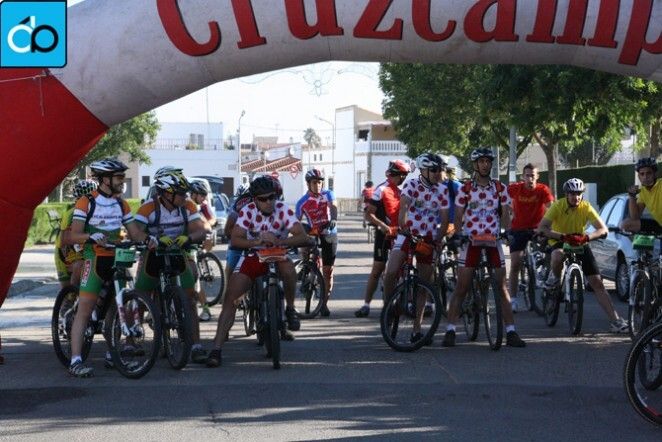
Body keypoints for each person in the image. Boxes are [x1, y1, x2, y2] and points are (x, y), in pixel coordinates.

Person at [206, 176, 311, 367]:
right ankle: (216, 349)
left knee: (289, 269)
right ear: (255, 200)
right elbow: (235, 239)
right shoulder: (247, 211)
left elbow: (302, 236)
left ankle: (290, 308)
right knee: (231, 298)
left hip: (278, 254)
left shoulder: (283, 210)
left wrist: (280, 241)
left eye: (272, 197)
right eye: (263, 199)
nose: (269, 202)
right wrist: (257, 241)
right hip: (253, 255)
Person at [66, 159, 149, 377]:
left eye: (122, 177)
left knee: (116, 305)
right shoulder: (86, 202)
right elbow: (73, 235)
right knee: (85, 310)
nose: (122, 181)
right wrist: (90, 236)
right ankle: (75, 361)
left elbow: (135, 233)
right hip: (94, 259)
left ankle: (112, 354)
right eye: (118, 177)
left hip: (117, 258)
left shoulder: (122, 204)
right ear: (105, 179)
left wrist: (149, 239)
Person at [442, 148, 526, 348]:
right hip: (471, 240)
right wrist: (458, 234)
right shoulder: (466, 188)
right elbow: (459, 215)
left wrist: (507, 231)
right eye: (481, 161)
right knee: (462, 286)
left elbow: (506, 214)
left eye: (488, 161)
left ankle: (511, 332)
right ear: (475, 165)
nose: (485, 165)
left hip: (492, 240)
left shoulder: (499, 187)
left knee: (502, 286)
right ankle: (450, 330)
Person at [134, 167, 210, 363]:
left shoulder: (188, 206)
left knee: (190, 299)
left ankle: (196, 345)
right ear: (167, 194)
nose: (185, 197)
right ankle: (131, 341)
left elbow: (200, 231)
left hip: (177, 252)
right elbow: (135, 232)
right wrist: (149, 239)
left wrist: (189, 238)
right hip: (153, 254)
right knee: (140, 297)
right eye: (181, 193)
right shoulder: (148, 208)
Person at [537, 178, 629, 333]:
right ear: (566, 194)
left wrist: (587, 237)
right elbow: (542, 228)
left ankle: (616, 321)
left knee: (597, 283)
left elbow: (603, 229)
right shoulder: (558, 206)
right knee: (558, 255)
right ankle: (554, 279)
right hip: (560, 241)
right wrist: (562, 236)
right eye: (573, 193)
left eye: (579, 193)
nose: (576, 197)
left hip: (580, 242)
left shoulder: (586, 207)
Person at [383, 153, 449, 343]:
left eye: (440, 170)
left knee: (424, 283)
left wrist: (438, 239)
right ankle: (389, 307)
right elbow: (403, 209)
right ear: (424, 170)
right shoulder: (411, 185)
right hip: (408, 234)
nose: (438, 173)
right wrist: (404, 228)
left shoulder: (442, 190)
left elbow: (445, 219)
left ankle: (417, 329)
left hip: (428, 238)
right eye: (434, 170)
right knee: (391, 272)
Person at [355, 160, 410, 318]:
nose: (403, 178)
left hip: (400, 234)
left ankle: (400, 303)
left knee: (404, 269)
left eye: (405, 176)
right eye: (402, 175)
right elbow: (369, 214)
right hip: (384, 234)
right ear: (395, 174)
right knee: (378, 269)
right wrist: (383, 226)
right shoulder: (381, 189)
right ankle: (366, 305)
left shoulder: (403, 190)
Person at [506, 164, 554, 311]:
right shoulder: (515, 188)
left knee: (551, 251)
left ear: (537, 176)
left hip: (537, 229)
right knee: (515, 263)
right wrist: (508, 211)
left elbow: (552, 208)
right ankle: (513, 300)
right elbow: (502, 200)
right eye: (527, 175)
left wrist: (548, 227)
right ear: (523, 177)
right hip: (518, 229)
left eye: (533, 175)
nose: (530, 178)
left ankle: (548, 278)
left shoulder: (543, 190)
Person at [295, 169, 339, 317]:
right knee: (303, 237)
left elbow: (333, 206)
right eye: (314, 182)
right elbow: (295, 222)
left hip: (329, 232)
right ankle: (305, 265)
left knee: (328, 270)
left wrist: (333, 219)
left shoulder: (328, 194)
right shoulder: (302, 202)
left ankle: (324, 304)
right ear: (308, 184)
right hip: (313, 232)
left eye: (320, 182)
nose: (318, 185)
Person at [55, 179, 98, 289]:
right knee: (79, 267)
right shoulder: (71, 213)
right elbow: (65, 240)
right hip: (65, 251)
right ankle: (72, 294)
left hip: (86, 249)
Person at [189, 180, 217, 322]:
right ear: (193, 194)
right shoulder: (186, 204)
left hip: (194, 242)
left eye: (205, 196)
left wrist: (206, 224)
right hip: (187, 240)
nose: (204, 199)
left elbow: (212, 219)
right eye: (201, 195)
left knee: (195, 280)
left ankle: (204, 253)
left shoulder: (203, 205)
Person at [621, 157, 662, 234]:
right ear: (639, 176)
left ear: (655, 174)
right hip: (660, 225)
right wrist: (632, 197)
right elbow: (635, 217)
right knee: (626, 224)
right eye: (642, 174)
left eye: (649, 173)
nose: (645, 177)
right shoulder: (642, 191)